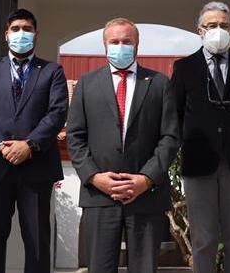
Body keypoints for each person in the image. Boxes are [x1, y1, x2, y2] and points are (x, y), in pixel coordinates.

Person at [66, 18, 180, 273]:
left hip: (145, 197)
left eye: (126, 41)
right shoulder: (86, 84)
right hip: (99, 197)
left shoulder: (160, 84)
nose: (120, 46)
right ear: (105, 47)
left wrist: (146, 179)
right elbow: (75, 137)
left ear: (137, 45)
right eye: (114, 42)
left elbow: (170, 137)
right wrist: (95, 177)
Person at [0, 8, 70, 273]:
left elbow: (57, 112)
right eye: (15, 29)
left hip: (36, 168)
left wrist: (30, 144)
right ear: (6, 35)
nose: (21, 34)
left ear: (36, 34)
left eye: (27, 29)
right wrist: (2, 145)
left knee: (37, 240)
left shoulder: (52, 71)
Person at [172, 1, 230, 273]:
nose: (218, 30)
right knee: (204, 238)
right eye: (212, 26)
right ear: (200, 31)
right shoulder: (185, 68)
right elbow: (175, 114)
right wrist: (188, 144)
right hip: (199, 164)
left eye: (224, 25)